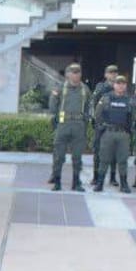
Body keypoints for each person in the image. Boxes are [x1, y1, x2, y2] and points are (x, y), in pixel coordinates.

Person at [49, 62, 91, 191]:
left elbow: (88, 107)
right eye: (73, 73)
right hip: (63, 124)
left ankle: (76, 182)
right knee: (59, 155)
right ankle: (57, 181)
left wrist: (85, 122)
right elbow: (53, 106)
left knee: (77, 156)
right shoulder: (60, 88)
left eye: (78, 73)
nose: (75, 75)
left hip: (78, 126)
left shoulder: (85, 89)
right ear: (67, 74)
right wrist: (58, 119)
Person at [93, 75, 135, 193]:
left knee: (122, 160)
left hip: (123, 134)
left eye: (123, 83)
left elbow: (133, 117)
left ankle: (124, 183)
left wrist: (128, 130)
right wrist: (102, 127)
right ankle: (100, 183)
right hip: (108, 133)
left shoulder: (130, 100)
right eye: (118, 83)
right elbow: (98, 114)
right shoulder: (106, 98)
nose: (120, 86)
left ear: (126, 85)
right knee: (104, 159)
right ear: (114, 85)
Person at [90, 65, 119, 186]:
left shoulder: (120, 88)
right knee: (98, 151)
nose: (113, 75)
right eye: (110, 73)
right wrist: (95, 120)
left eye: (115, 73)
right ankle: (96, 177)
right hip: (101, 124)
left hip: (114, 124)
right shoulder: (101, 87)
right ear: (106, 74)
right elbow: (94, 103)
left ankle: (112, 177)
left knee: (114, 152)